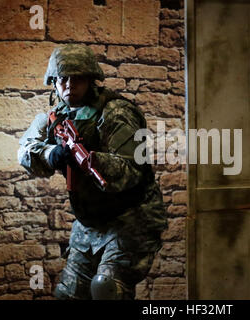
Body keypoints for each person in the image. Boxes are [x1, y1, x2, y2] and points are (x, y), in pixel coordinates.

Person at [18, 44, 167, 300]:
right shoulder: (54, 118)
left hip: (130, 219)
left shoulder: (117, 113)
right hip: (88, 224)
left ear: (90, 80)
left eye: (78, 79)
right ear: (53, 82)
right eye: (63, 79)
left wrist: (91, 160)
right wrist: (50, 154)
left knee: (106, 289)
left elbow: (133, 171)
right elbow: (24, 152)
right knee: (68, 295)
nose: (69, 85)